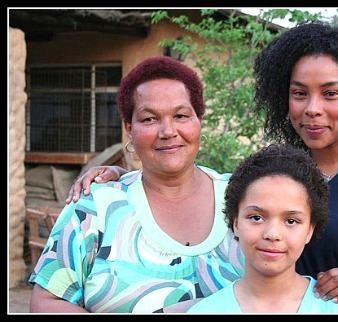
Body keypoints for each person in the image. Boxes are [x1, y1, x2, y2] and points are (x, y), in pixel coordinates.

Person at [67, 23, 338, 312]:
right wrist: (119, 175)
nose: (312, 108)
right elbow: (206, 188)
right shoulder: (273, 174)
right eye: (299, 93)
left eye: (330, 93)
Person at [28, 56, 246, 313]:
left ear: (199, 121)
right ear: (128, 128)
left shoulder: (244, 199)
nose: (168, 131)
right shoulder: (94, 207)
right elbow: (46, 303)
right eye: (149, 119)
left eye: (181, 115)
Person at [188, 144, 338, 313]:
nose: (272, 234)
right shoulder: (204, 311)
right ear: (235, 222)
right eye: (256, 217)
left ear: (310, 230)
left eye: (291, 221)